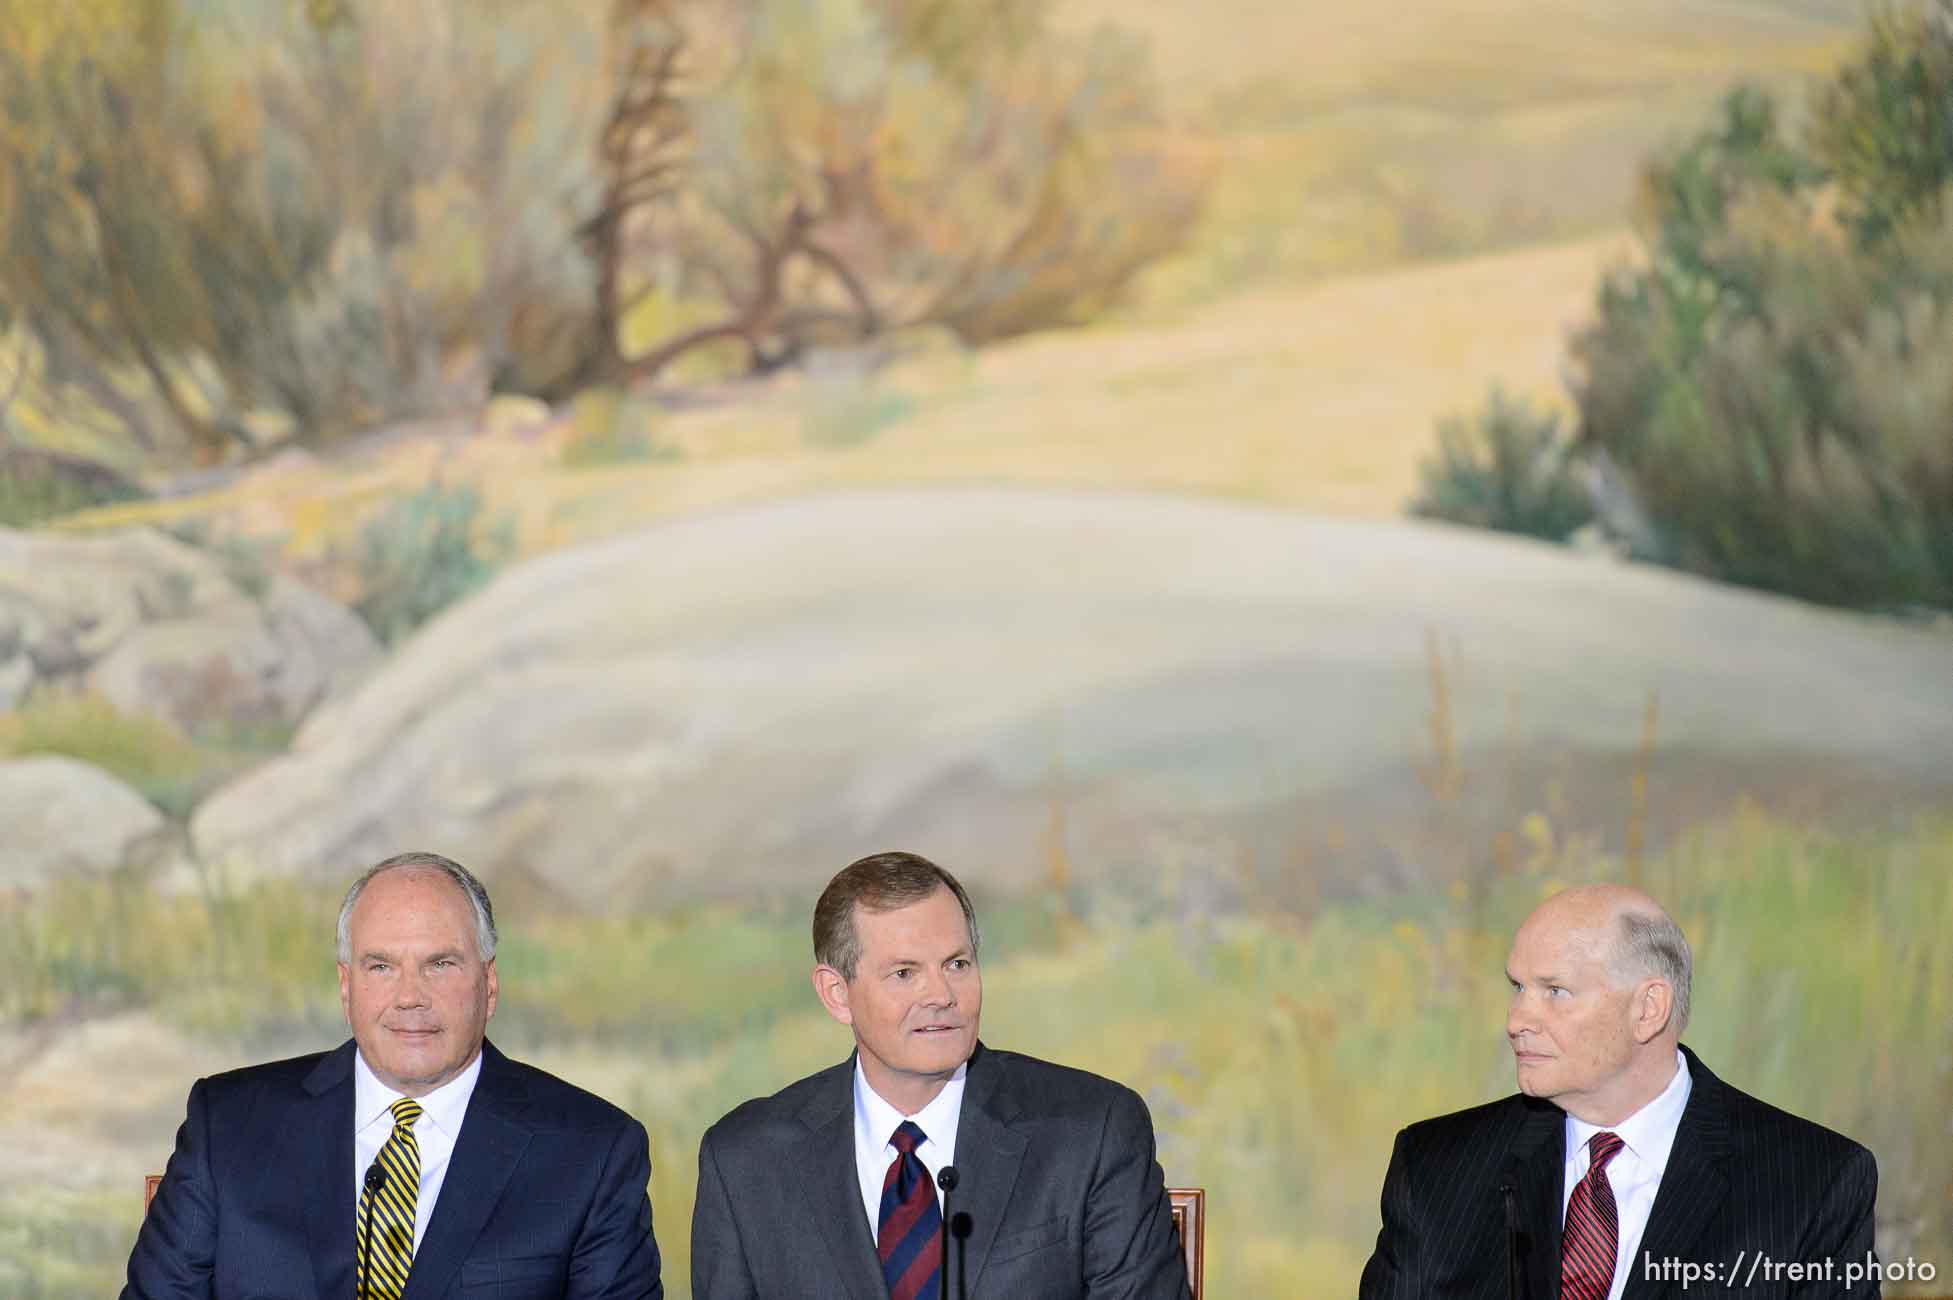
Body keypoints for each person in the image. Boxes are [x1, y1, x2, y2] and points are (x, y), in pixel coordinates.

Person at [123, 851, 664, 1299]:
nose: (410, 998)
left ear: (489, 984)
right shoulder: (229, 1125)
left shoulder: (592, 1153)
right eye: (381, 966)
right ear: (345, 986)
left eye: (440, 964)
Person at [691, 851, 1191, 1300]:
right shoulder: (746, 1161)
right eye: (905, 973)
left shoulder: (1091, 1131)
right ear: (837, 994)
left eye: (956, 963)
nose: (942, 995)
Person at [1359, 883, 1879, 1299]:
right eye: (1517, 988)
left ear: (1648, 1009)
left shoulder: (1812, 1182)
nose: (1518, 1019)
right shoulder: (1435, 1168)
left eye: (1555, 991)